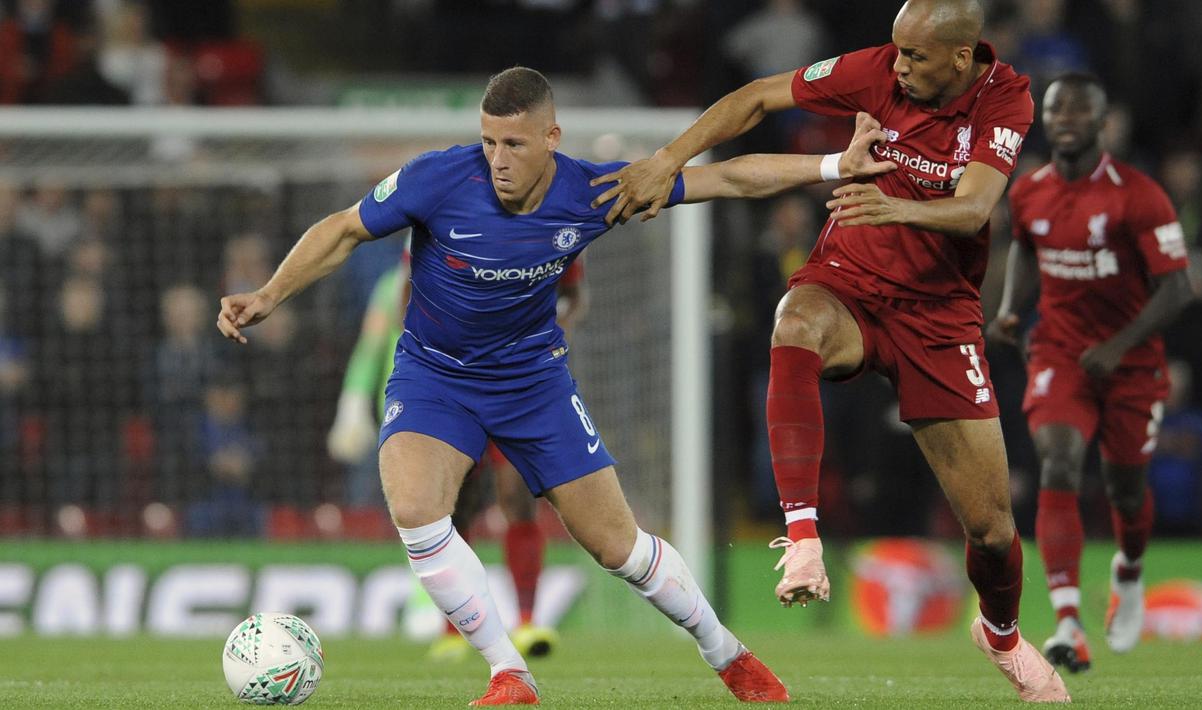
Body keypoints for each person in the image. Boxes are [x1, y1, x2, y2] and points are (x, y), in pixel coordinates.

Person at [219, 66, 890, 705]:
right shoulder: (437, 179)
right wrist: (270, 292)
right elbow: (342, 230)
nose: (497, 159)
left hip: (532, 382)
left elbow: (730, 180)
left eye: (513, 143)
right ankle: (507, 671)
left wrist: (832, 166)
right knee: (417, 507)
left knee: (615, 547)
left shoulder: (594, 191)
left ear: (550, 138)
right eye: (488, 142)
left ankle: (726, 652)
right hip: (434, 376)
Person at [596, 0, 1070, 702]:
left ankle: (999, 634)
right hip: (847, 284)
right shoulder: (876, 68)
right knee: (793, 323)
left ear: (962, 58)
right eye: (895, 51)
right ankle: (802, 537)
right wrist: (668, 160)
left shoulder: (1004, 99)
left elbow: (973, 207)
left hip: (937, 317)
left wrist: (896, 207)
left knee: (993, 531)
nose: (897, 66)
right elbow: (756, 96)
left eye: (914, 56)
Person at [987, 73, 1194, 673]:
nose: (1065, 119)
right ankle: (1069, 622)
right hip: (1058, 353)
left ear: (1103, 122)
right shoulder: (1028, 191)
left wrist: (1121, 343)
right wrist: (1008, 310)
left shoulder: (1139, 195)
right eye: (1056, 110)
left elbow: (1177, 285)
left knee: (1126, 490)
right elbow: (1027, 247)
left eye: (1079, 110)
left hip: (1131, 366)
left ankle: (1128, 568)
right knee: (1057, 460)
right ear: (1044, 120)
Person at [326, 234, 586, 660]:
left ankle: (527, 621)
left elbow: (574, 294)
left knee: (516, 496)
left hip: (517, 388)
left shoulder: (549, 231)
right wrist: (354, 403)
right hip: (441, 398)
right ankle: (451, 627)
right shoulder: (411, 267)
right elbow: (375, 341)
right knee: (449, 506)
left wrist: (553, 336)